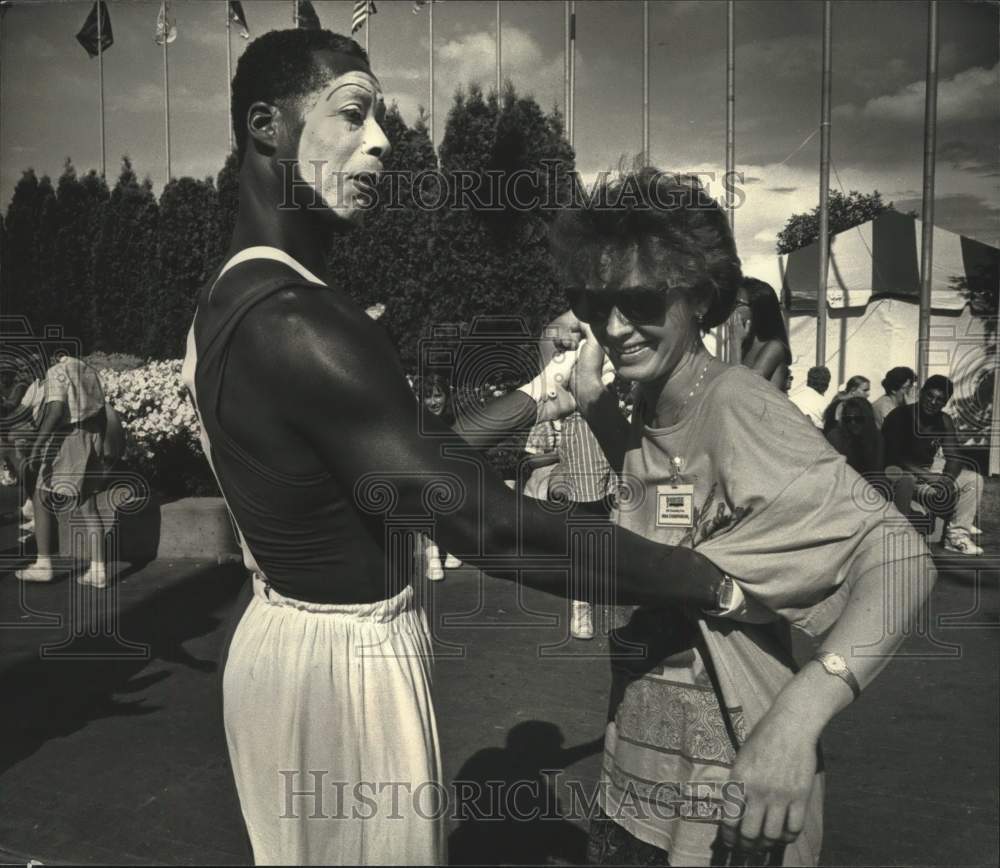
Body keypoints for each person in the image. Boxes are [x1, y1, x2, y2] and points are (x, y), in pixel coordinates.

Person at [183, 29, 732, 866]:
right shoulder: (301, 322)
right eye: (353, 115)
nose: (382, 141)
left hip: (290, 645)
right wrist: (701, 581)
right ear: (267, 126)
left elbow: (404, 459)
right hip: (345, 666)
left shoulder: (233, 294)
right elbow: (483, 526)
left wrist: (542, 393)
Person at [551, 167, 934, 866]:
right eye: (593, 301)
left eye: (637, 300)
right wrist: (595, 404)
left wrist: (798, 721)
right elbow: (672, 487)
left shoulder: (739, 404)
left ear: (698, 297)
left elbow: (903, 556)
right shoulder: (652, 404)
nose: (611, 327)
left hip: (732, 787)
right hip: (640, 775)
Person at [15, 355, 115, 588]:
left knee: (40, 497)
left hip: (67, 438)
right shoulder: (86, 370)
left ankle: (43, 564)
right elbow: (101, 410)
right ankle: (98, 570)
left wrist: (39, 444)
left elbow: (56, 410)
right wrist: (98, 444)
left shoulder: (56, 372)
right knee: (88, 506)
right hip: (91, 436)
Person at [882, 375, 985, 556]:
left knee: (974, 479)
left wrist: (947, 479)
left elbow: (954, 456)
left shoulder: (944, 420)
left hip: (928, 471)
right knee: (929, 492)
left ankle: (956, 538)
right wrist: (929, 478)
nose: (933, 402)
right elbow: (894, 455)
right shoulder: (900, 416)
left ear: (945, 403)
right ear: (921, 394)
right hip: (901, 474)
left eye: (940, 400)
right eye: (930, 396)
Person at [415, 373, 462, 579]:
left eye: (437, 395)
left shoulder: (456, 420)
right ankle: (432, 556)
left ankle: (454, 547)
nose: (434, 402)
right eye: (428, 397)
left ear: (446, 396)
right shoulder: (416, 421)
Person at [735, 277, 791, 389]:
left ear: (757, 309)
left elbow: (745, 388)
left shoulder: (775, 347)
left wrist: (736, 343)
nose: (731, 308)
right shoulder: (745, 343)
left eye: (737, 303)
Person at [825, 397, 884, 480]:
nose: (853, 423)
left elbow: (877, 472)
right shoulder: (836, 436)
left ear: (867, 418)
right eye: (848, 419)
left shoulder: (876, 436)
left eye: (858, 419)